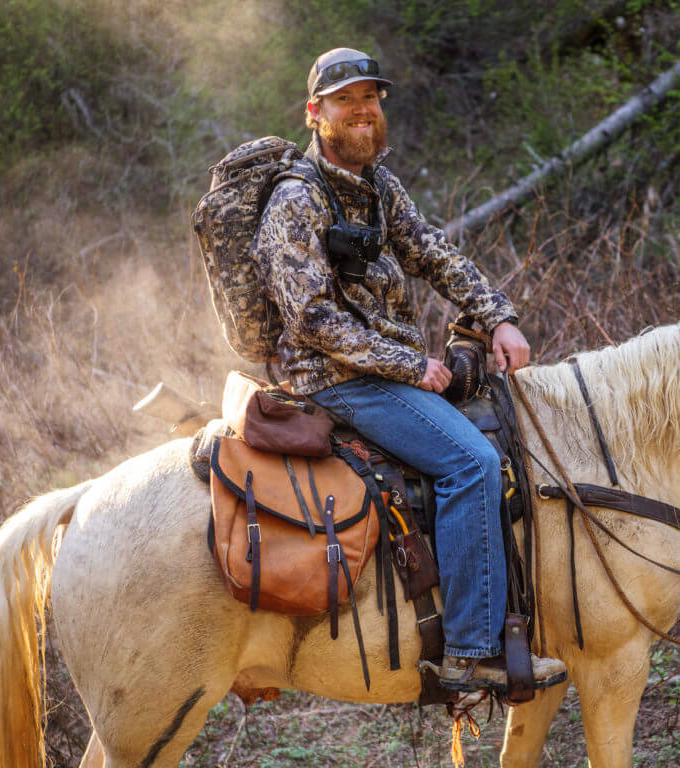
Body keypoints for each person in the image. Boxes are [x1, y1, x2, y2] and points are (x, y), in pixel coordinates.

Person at [252, 47, 566, 694]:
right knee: (470, 462)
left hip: (384, 374)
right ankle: (471, 655)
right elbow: (312, 317)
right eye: (346, 100)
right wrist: (408, 364)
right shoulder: (295, 200)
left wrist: (498, 315)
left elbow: (434, 255)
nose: (363, 110)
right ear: (315, 113)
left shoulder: (377, 186)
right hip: (336, 380)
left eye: (370, 97)